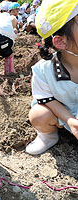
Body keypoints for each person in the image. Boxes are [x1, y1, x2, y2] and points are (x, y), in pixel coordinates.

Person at [25, 0, 78, 155]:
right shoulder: (43, 71)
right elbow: (46, 99)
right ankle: (48, 136)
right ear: (61, 41)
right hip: (60, 113)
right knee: (38, 115)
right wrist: (70, 120)